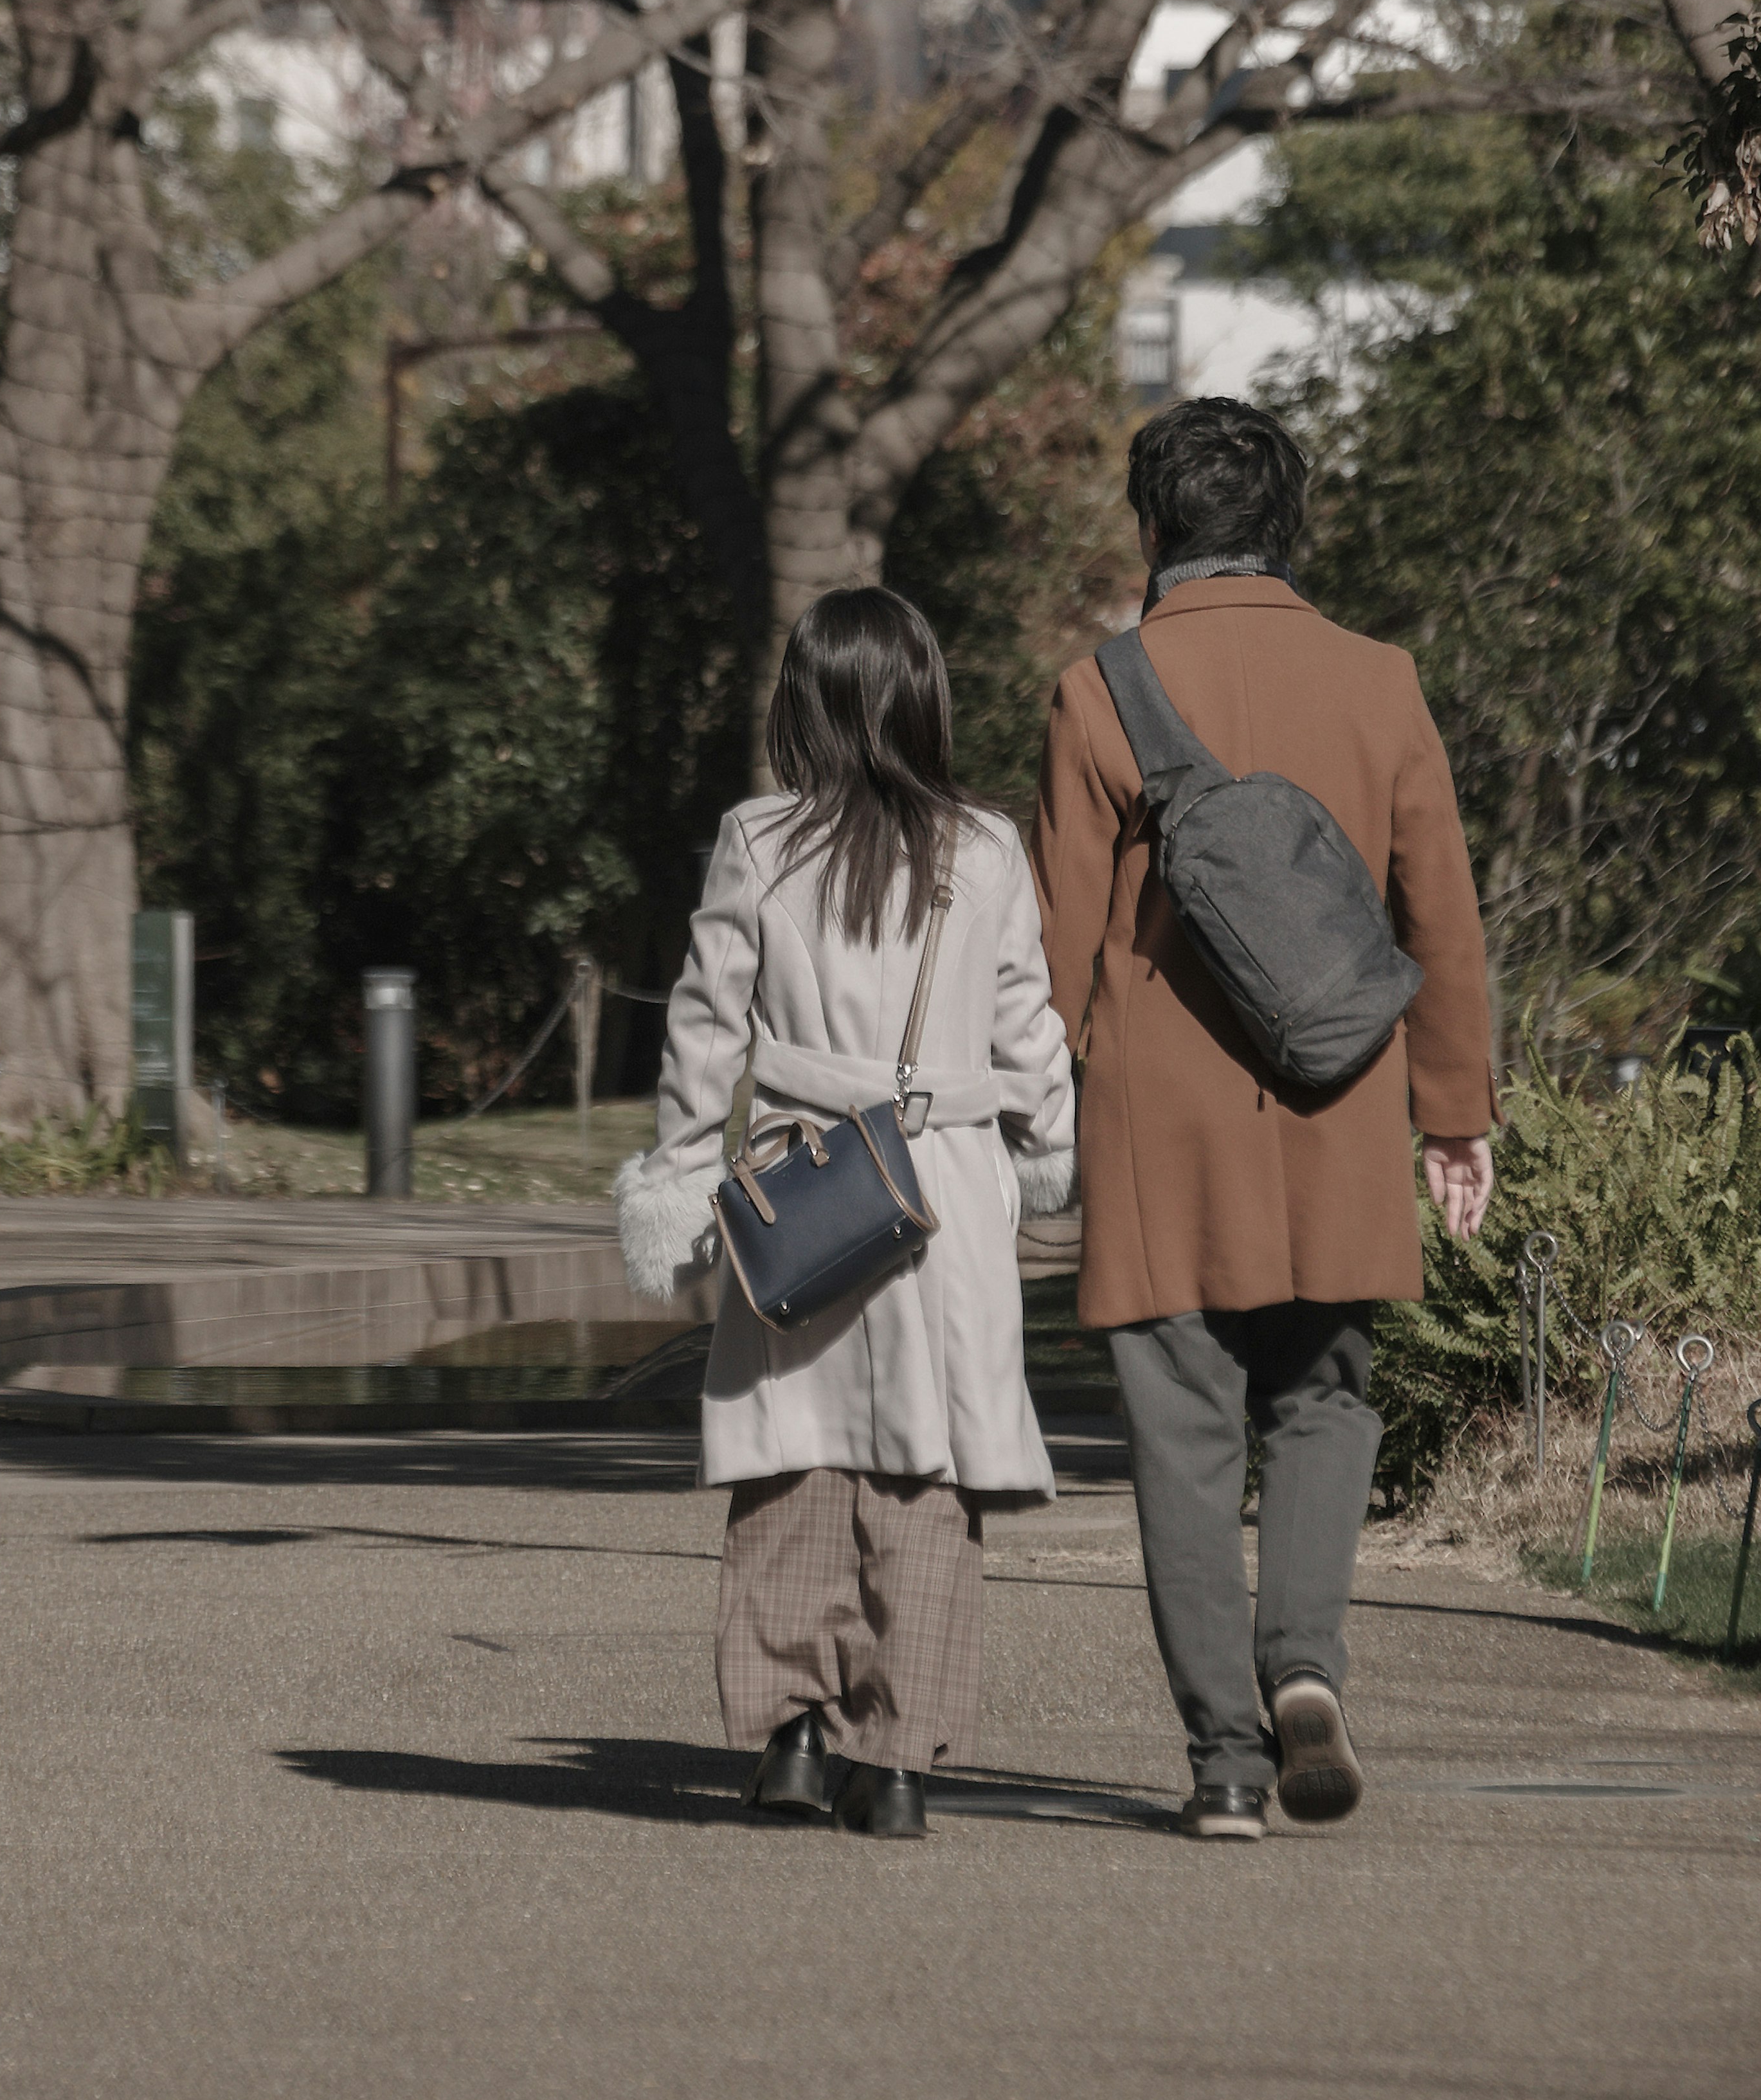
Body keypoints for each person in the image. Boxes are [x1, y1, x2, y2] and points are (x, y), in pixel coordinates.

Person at [1029, 395, 1496, 1843]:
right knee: (1327, 1395)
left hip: (1159, 1124)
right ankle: (1305, 1665)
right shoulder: (1380, 678)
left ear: (1153, 526)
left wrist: (1023, 1117)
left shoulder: (1100, 690)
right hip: (1339, 1096)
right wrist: (1453, 1113)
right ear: (1286, 525)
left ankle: (1226, 1764)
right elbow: (1442, 911)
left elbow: (1052, 945)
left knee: (1182, 1431)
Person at [615, 584, 1078, 1840]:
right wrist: (1047, 1145)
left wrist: (677, 1174)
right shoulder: (985, 847)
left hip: (805, 1179)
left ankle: (791, 1740)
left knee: (791, 1461)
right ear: (923, 696)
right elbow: (1029, 1029)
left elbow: (707, 1029)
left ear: (798, 703)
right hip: (940, 1188)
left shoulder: (759, 841)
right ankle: (897, 1764)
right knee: (927, 1478)